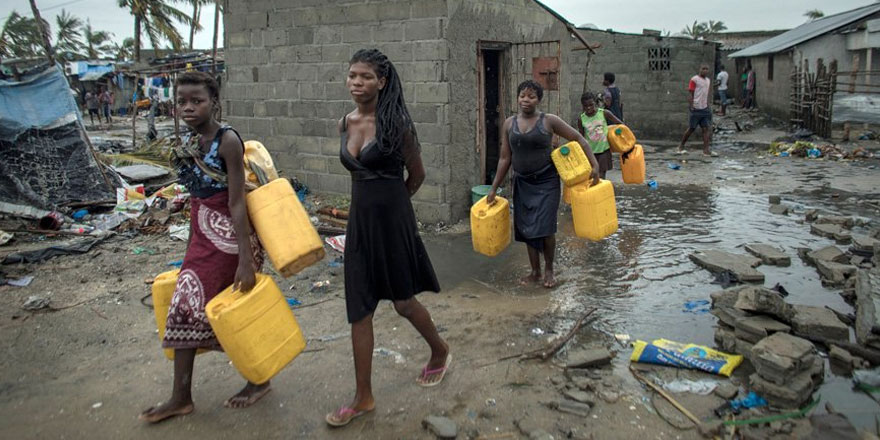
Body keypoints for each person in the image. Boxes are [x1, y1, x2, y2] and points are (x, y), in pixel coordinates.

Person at [325, 48, 450, 427]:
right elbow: (356, 174)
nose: (356, 83)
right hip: (360, 225)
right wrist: (369, 208)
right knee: (359, 309)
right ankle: (363, 397)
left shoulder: (397, 125)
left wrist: (394, 205)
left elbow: (418, 175)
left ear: (381, 81)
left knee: (402, 302)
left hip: (393, 220)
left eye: (365, 76)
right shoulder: (345, 122)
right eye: (352, 76)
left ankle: (440, 351)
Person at [139, 71, 265, 423]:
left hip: (229, 238)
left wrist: (245, 258)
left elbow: (237, 202)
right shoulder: (190, 142)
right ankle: (182, 396)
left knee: (225, 309)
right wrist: (191, 248)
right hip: (202, 235)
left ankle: (257, 380)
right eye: (182, 102)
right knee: (194, 309)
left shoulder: (227, 141)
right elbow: (197, 200)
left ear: (215, 102)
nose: (189, 107)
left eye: (198, 100)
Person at [487, 80, 599, 289]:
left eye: (531, 96)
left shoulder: (549, 121)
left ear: (539, 100)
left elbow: (577, 138)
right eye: (522, 95)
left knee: (546, 228)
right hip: (522, 183)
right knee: (527, 229)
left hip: (547, 181)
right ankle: (535, 271)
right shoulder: (509, 124)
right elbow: (504, 158)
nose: (526, 100)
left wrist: (594, 164)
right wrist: (494, 188)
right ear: (517, 97)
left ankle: (548, 269)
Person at [577, 91, 624, 179]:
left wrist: (620, 136)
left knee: (601, 176)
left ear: (596, 103)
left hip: (604, 150)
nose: (588, 108)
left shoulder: (604, 113)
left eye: (591, 105)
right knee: (592, 175)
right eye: (585, 106)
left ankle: (602, 191)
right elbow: (581, 137)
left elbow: (620, 124)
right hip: (590, 152)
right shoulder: (581, 119)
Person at [678, 64, 717, 156]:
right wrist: (691, 105)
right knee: (691, 128)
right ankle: (681, 147)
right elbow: (690, 93)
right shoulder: (694, 79)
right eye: (703, 69)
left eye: (707, 69)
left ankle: (706, 150)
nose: (705, 71)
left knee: (705, 129)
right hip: (696, 108)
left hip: (705, 108)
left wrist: (707, 105)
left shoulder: (708, 81)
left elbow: (706, 93)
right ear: (699, 69)